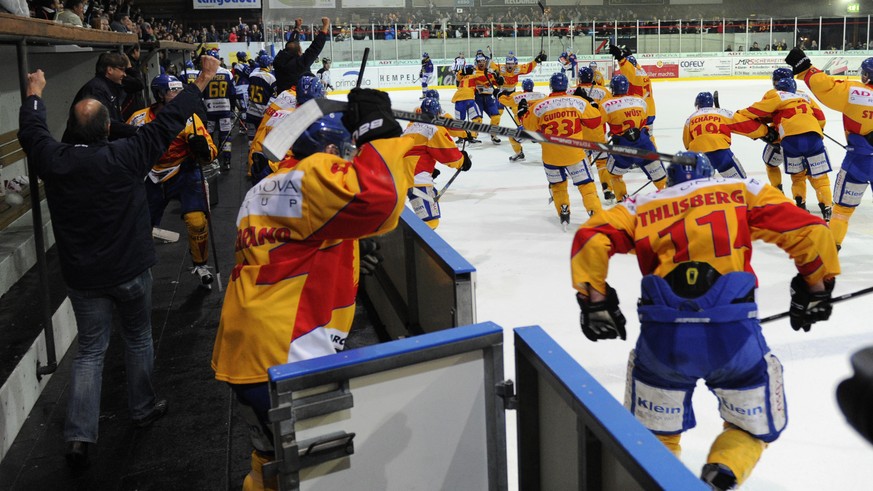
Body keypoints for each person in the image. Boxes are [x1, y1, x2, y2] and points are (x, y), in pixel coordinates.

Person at [570, 152, 839, 491]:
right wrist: (814, 289)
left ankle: (658, 482)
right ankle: (722, 473)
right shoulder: (741, 189)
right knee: (750, 428)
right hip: (734, 335)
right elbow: (811, 231)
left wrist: (596, 301)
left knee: (654, 439)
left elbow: (591, 236)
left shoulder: (643, 203)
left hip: (662, 338)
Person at [19, 55, 220, 471]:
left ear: (71, 130)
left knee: (91, 349)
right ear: (107, 129)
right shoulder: (128, 154)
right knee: (138, 338)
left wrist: (34, 94)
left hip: (83, 276)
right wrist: (202, 79)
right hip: (130, 270)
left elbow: (33, 132)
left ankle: (79, 436)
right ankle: (143, 408)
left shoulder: (53, 160)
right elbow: (170, 121)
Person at [211, 88, 416, 490]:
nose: (347, 157)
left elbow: (295, 249)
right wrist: (377, 130)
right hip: (288, 355)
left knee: (269, 465)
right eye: (343, 150)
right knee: (319, 474)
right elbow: (380, 197)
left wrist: (352, 248)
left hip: (247, 353)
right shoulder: (314, 174)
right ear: (327, 148)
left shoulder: (267, 186)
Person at [127, 74, 218, 287]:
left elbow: (211, 153)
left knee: (197, 221)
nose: (178, 95)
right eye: (172, 91)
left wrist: (202, 150)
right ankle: (139, 267)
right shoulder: (138, 118)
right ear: (159, 95)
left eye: (180, 90)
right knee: (140, 225)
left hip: (183, 171)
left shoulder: (191, 119)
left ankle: (201, 263)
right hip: (150, 174)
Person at [786, 47, 873, 247]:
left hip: (857, 162)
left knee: (842, 211)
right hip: (859, 158)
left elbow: (825, 86)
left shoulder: (857, 93)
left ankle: (831, 250)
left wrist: (805, 68)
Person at [737, 73, 833, 221]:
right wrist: (814, 128)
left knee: (794, 174)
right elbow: (821, 119)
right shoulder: (805, 97)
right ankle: (827, 207)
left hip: (787, 140)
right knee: (819, 176)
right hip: (813, 138)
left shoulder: (775, 95)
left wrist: (739, 114)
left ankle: (798, 204)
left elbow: (756, 112)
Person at [520, 72, 603, 230]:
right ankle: (595, 213)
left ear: (551, 85)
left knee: (558, 186)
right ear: (566, 85)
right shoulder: (577, 101)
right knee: (586, 186)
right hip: (575, 155)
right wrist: (589, 101)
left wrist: (522, 113)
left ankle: (563, 209)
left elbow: (529, 128)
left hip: (551, 156)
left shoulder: (538, 106)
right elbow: (595, 122)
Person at [404, 97, 473, 229]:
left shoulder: (411, 126)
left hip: (400, 176)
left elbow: (413, 151)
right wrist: (462, 161)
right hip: (416, 179)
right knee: (430, 222)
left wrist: (428, 168)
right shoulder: (433, 128)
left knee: (432, 196)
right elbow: (449, 155)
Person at [601, 74, 667, 200]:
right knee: (661, 177)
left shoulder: (606, 104)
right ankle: (670, 197)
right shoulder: (640, 101)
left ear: (613, 88)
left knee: (614, 175)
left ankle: (621, 198)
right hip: (644, 145)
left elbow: (596, 121)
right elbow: (644, 121)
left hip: (622, 149)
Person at [682, 91, 772, 180]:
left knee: (698, 189)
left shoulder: (690, 119)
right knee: (741, 185)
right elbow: (745, 124)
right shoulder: (722, 113)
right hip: (721, 154)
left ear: (697, 104)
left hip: (699, 158)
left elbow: (687, 144)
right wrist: (766, 131)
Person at [63, 51, 140, 142]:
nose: (124, 74)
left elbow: (138, 85)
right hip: (84, 147)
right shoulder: (96, 89)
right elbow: (101, 122)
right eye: (121, 70)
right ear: (110, 70)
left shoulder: (109, 87)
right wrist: (135, 130)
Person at [574, 67, 614, 202]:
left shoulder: (571, 92)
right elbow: (610, 110)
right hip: (598, 134)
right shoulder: (603, 91)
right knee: (602, 163)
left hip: (580, 135)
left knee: (585, 165)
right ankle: (607, 189)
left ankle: (591, 194)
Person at [609, 45, 657, 140]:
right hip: (650, 110)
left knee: (636, 139)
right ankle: (652, 151)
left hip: (640, 111)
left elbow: (628, 69)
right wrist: (628, 55)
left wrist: (621, 58)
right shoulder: (641, 71)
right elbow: (632, 65)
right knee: (649, 137)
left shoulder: (633, 74)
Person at [273, 16, 331, 93]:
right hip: (295, 99)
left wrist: (297, 29)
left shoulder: (278, 60)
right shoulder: (298, 65)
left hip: (280, 98)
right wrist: (325, 27)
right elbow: (315, 48)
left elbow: (291, 45)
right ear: (298, 53)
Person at [202, 49, 237, 171]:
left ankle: (210, 158)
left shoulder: (203, 74)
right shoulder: (227, 73)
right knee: (225, 135)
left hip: (209, 110)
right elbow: (233, 93)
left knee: (209, 134)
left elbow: (200, 93)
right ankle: (227, 160)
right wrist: (232, 107)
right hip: (224, 108)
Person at [500, 77, 545, 162]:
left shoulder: (518, 96)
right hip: (541, 126)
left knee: (512, 137)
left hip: (527, 127)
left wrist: (499, 94)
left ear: (523, 86)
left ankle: (519, 153)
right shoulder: (542, 95)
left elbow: (505, 101)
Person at [496, 50, 544, 126]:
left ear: (515, 64)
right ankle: (493, 132)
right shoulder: (500, 68)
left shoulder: (518, 68)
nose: (509, 66)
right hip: (502, 91)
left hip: (512, 92)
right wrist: (495, 78)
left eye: (511, 64)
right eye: (508, 63)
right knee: (498, 113)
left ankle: (521, 126)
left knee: (516, 111)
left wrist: (536, 61)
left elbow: (528, 68)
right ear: (505, 64)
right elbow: (490, 69)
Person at [472, 53, 505, 144]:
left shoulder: (490, 72)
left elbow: (498, 84)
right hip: (478, 98)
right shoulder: (474, 72)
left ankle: (493, 134)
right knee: (477, 118)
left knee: (496, 116)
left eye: (483, 61)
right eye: (479, 61)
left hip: (489, 98)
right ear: (476, 62)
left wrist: (500, 80)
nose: (481, 63)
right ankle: (473, 135)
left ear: (485, 62)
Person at [245, 54, 277, 141]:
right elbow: (274, 97)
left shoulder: (252, 75)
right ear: (268, 64)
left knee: (251, 139)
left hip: (250, 112)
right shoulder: (271, 78)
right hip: (262, 114)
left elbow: (248, 91)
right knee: (262, 139)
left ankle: (250, 154)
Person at [452, 64, 481, 144]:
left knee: (459, 120)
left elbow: (458, 74)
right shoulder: (473, 77)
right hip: (469, 98)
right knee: (476, 117)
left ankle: (461, 137)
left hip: (458, 99)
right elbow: (483, 77)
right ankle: (472, 135)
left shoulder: (461, 79)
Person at [233, 51, 252, 120]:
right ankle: (244, 126)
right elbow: (249, 73)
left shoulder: (239, 65)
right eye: (245, 56)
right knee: (245, 109)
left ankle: (243, 125)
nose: (246, 58)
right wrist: (254, 66)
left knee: (244, 108)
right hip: (242, 89)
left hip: (241, 88)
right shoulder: (239, 65)